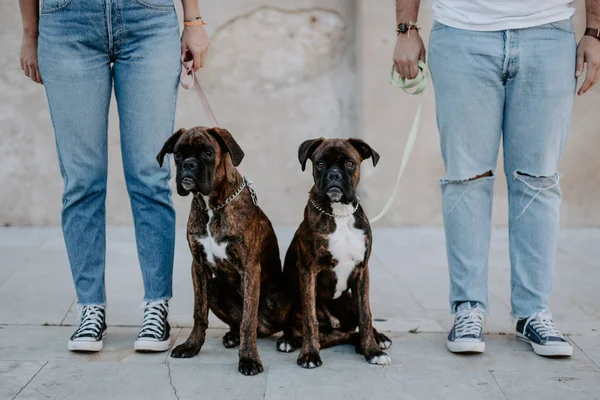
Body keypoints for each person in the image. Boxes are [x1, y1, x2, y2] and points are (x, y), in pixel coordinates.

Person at [393, 0, 600, 357]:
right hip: (461, 33)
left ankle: (533, 312)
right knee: (466, 178)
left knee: (538, 179)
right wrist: (405, 28)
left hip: (548, 34)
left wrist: (595, 31)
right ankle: (468, 309)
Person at [18, 0, 209, 352]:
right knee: (81, 180)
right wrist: (30, 33)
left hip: (147, 18)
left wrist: (193, 19)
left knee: (150, 176)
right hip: (67, 21)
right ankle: (91, 308)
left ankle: (157, 305)